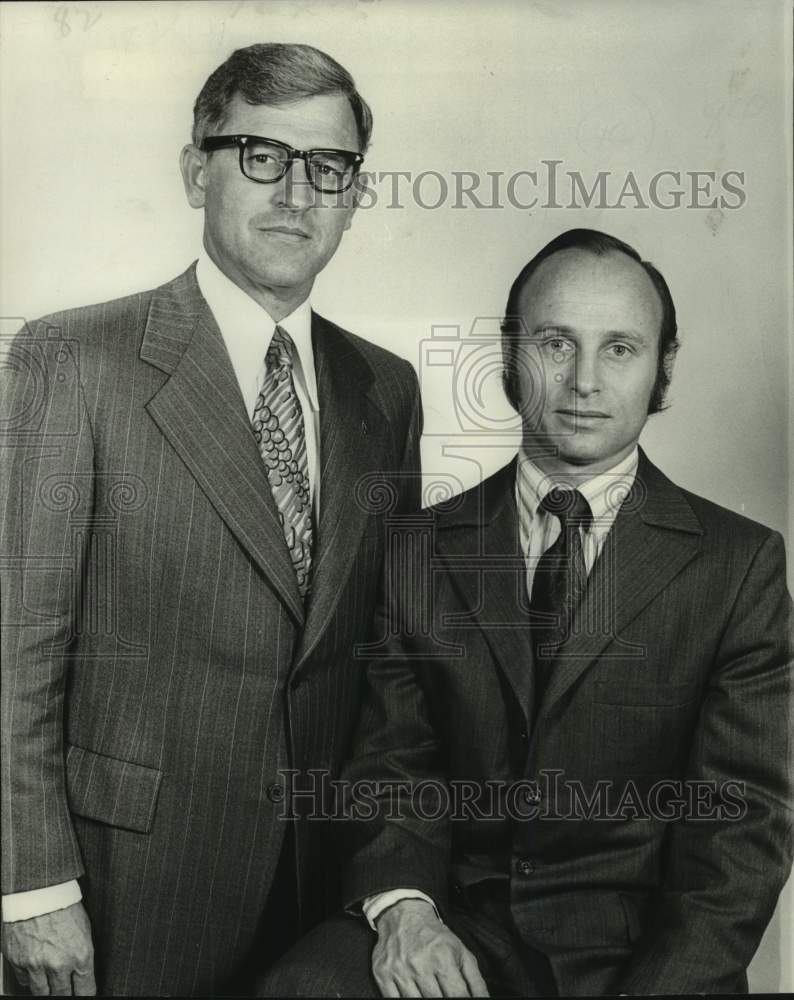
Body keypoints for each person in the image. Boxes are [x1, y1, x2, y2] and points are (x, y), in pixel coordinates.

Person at [259, 228, 793, 997]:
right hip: (460, 930)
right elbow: (393, 766)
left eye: (619, 348)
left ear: (663, 368)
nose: (583, 382)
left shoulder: (737, 565)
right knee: (303, 987)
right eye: (555, 344)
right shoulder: (420, 547)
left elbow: (741, 831)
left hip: (638, 953)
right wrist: (405, 911)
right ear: (510, 355)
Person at [0, 43, 421, 997]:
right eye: (261, 156)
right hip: (126, 886)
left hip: (320, 895)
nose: (297, 193)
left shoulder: (384, 391)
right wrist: (27, 887)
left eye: (329, 167)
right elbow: (12, 643)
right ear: (198, 172)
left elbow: (381, 655)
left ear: (355, 192)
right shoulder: (74, 358)